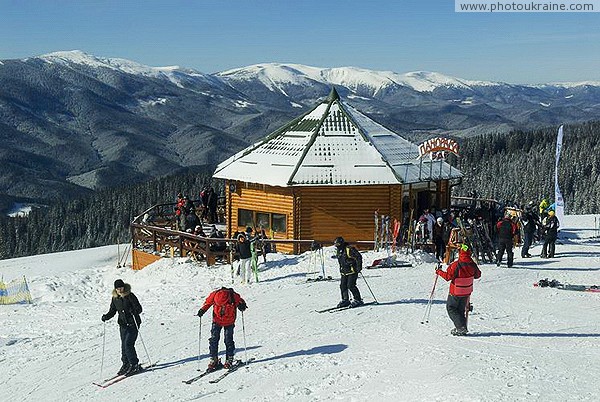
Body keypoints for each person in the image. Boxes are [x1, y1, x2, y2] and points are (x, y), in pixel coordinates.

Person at [435, 244, 482, 336]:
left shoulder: (456, 265)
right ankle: (462, 327)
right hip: (467, 292)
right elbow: (478, 275)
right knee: (460, 310)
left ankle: (460, 328)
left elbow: (448, 277)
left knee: (451, 308)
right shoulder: (472, 264)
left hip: (455, 292)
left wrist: (439, 272)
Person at [197, 287, 247, 370]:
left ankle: (221, 359)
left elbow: (207, 303)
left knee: (218, 340)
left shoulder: (224, 295)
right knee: (223, 340)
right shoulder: (225, 295)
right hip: (223, 321)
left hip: (223, 321)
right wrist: (242, 307)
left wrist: (202, 310)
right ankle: (222, 359)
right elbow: (241, 303)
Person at [101, 279, 143, 375]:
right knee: (123, 345)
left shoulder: (130, 296)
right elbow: (112, 310)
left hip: (133, 323)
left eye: (120, 287)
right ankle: (126, 364)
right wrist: (106, 317)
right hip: (123, 324)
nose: (119, 290)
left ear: (124, 287)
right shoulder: (115, 298)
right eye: (117, 288)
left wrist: (134, 311)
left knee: (128, 344)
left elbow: (139, 308)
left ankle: (134, 364)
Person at [333, 236, 363, 308]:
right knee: (343, 286)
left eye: (338, 244)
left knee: (351, 285)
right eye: (335, 245)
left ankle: (358, 299)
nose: (337, 246)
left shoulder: (349, 249)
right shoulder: (339, 251)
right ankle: (345, 300)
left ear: (341, 243)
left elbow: (358, 256)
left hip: (352, 270)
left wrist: (359, 266)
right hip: (344, 271)